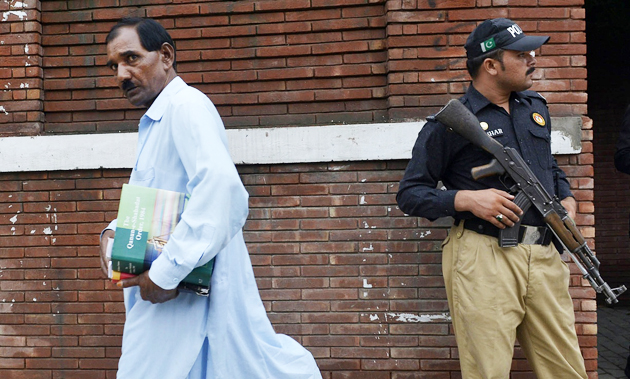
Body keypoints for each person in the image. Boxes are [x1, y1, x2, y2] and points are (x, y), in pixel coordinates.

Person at [99, 17, 322, 379]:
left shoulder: (186, 108)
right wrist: (113, 232)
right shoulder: (159, 118)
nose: (121, 74)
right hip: (169, 300)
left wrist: (166, 273)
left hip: (182, 293)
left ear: (166, 56)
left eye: (131, 59)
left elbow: (223, 194)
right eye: (113, 66)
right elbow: (160, 202)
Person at [397, 18, 588, 379]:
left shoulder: (535, 107)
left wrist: (566, 199)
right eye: (522, 54)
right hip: (484, 258)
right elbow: (410, 193)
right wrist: (466, 200)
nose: (533, 58)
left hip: (545, 255)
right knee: (489, 372)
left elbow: (548, 167)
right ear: (491, 65)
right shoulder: (451, 123)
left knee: (567, 371)